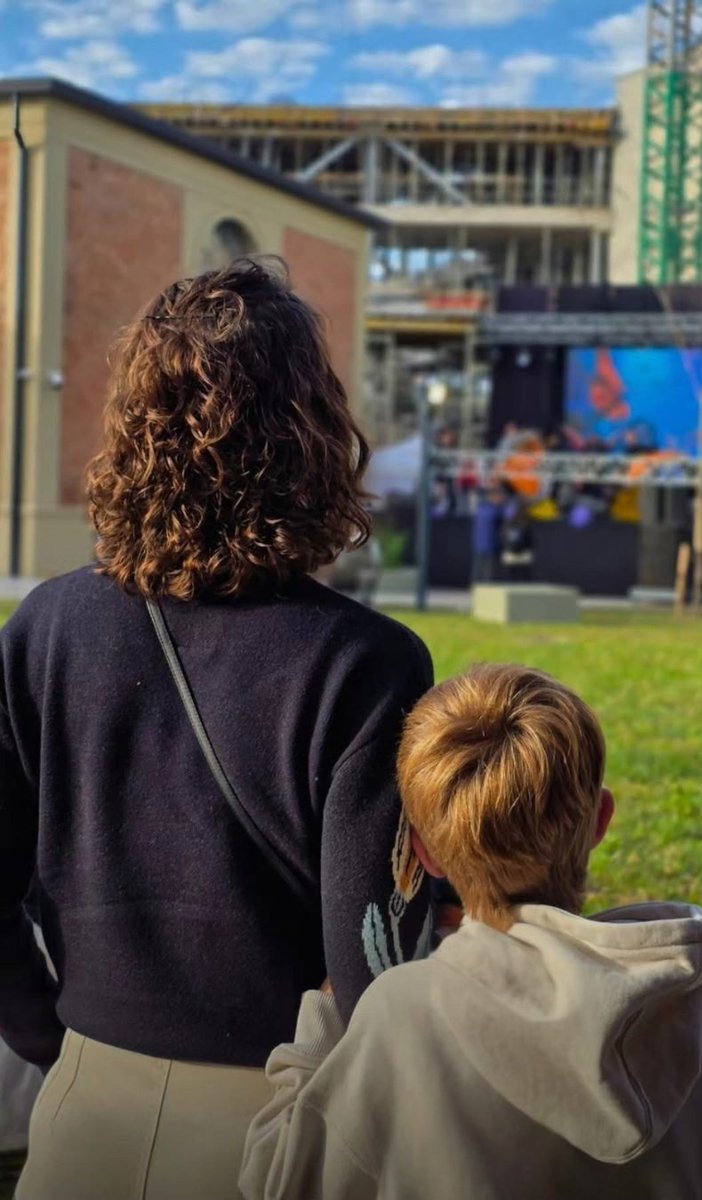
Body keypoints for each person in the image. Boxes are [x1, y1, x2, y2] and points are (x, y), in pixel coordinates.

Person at [2, 258, 434, 1200]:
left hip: (81, 1104)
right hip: (274, 1123)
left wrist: (51, 1039)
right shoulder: (368, 663)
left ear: (131, 426)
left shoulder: (45, 628)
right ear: (311, 431)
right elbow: (375, 972)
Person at [241, 664, 702, 1200]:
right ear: (601, 821)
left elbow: (279, 1183)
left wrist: (320, 1023)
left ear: (424, 854)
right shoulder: (676, 1025)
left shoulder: (403, 1014)